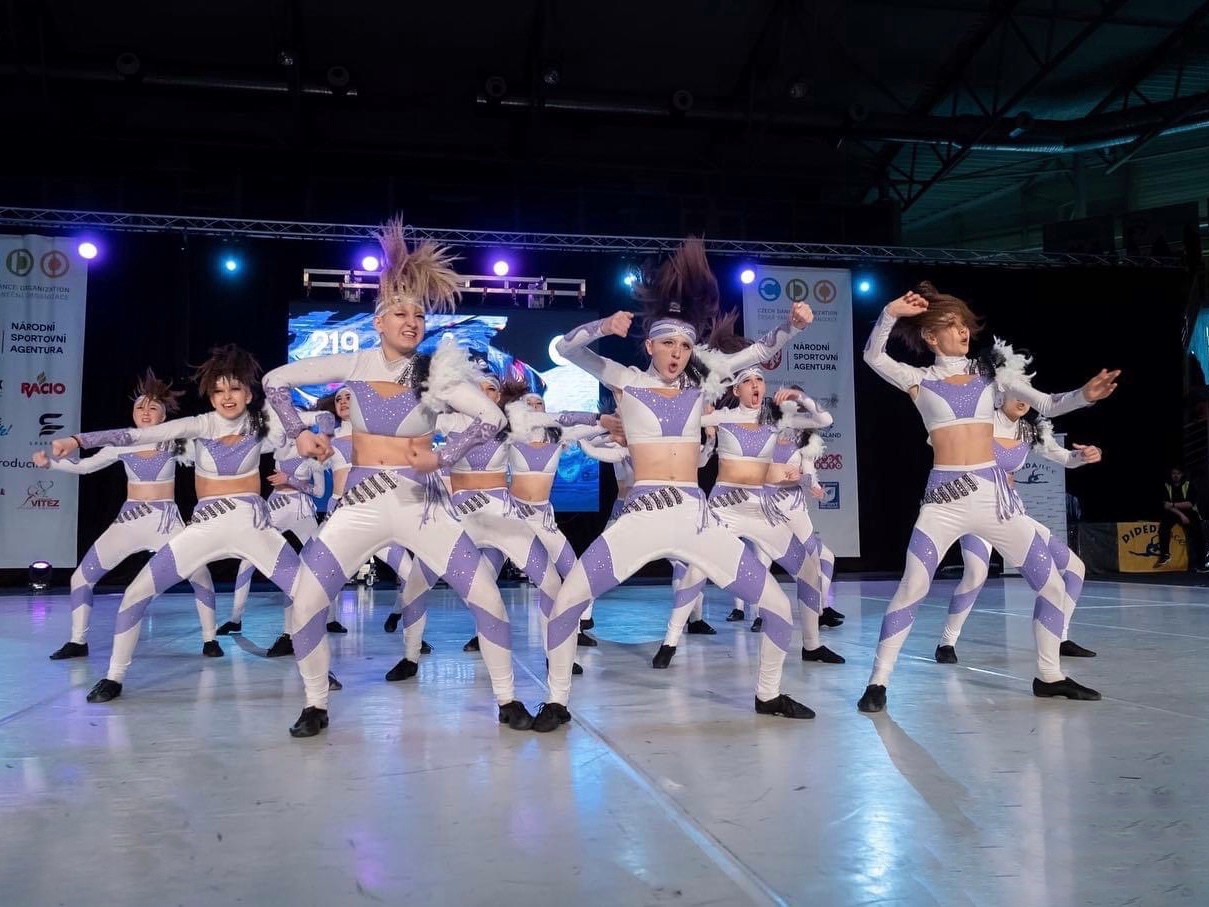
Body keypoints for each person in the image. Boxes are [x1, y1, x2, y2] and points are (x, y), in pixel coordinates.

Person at [859, 281, 1119, 712]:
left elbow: (1047, 404)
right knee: (913, 587)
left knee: (1052, 583)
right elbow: (873, 356)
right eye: (952, 324)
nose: (963, 331)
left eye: (965, 323)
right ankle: (878, 683)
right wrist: (890, 313)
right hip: (944, 499)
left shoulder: (991, 376)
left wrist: (1084, 397)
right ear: (930, 336)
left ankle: (1049, 675)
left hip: (994, 498)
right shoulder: (919, 380)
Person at [37, 370, 217, 661]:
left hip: (165, 522)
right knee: (80, 578)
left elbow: (212, 460)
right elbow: (86, 466)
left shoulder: (177, 441)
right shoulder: (121, 442)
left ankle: (210, 639)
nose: (145, 412)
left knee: (201, 576)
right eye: (140, 407)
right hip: (129, 521)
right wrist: (51, 465)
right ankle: (77, 641)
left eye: (153, 408)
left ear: (164, 416)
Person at [1158, 465, 1206, 570]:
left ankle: (1201, 563)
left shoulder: (1188, 485)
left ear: (1182, 474)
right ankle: (1165, 554)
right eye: (1173, 473)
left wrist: (1174, 505)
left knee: (1198, 535)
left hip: (1189, 512)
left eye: (1178, 473)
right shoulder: (1166, 485)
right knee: (1163, 529)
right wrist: (1181, 515)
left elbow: (1189, 504)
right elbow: (1166, 505)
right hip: (1173, 512)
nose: (1175, 476)